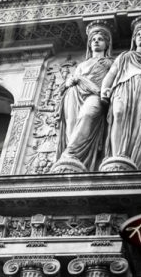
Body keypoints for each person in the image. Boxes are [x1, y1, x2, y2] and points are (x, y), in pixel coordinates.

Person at [99, 17, 141, 170]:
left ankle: (130, 157)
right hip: (123, 86)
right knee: (118, 113)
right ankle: (116, 154)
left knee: (139, 123)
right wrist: (105, 89)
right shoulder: (124, 56)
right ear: (134, 39)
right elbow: (111, 74)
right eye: (138, 34)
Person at [53, 21, 113, 172]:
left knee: (87, 115)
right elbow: (67, 84)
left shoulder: (109, 63)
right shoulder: (81, 65)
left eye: (100, 39)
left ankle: (71, 153)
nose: (96, 42)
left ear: (106, 44)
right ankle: (70, 156)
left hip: (95, 94)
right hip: (74, 94)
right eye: (93, 39)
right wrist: (69, 81)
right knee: (72, 125)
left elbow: (116, 80)